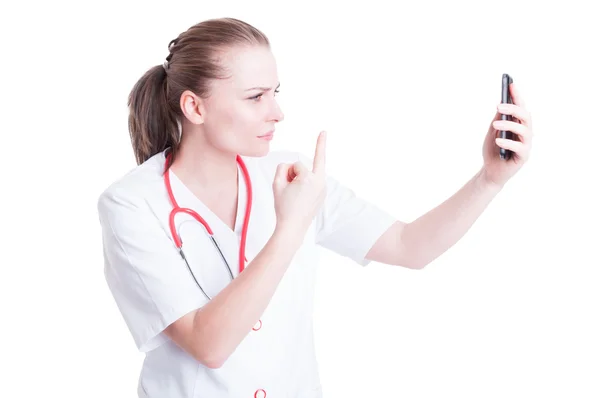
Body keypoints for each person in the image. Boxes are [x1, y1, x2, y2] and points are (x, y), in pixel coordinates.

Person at [97, 17, 533, 398]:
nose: (278, 112)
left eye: (276, 92)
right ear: (194, 106)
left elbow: (408, 245)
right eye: (255, 97)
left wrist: (489, 179)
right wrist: (292, 226)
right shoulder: (132, 205)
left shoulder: (292, 174)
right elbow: (208, 345)